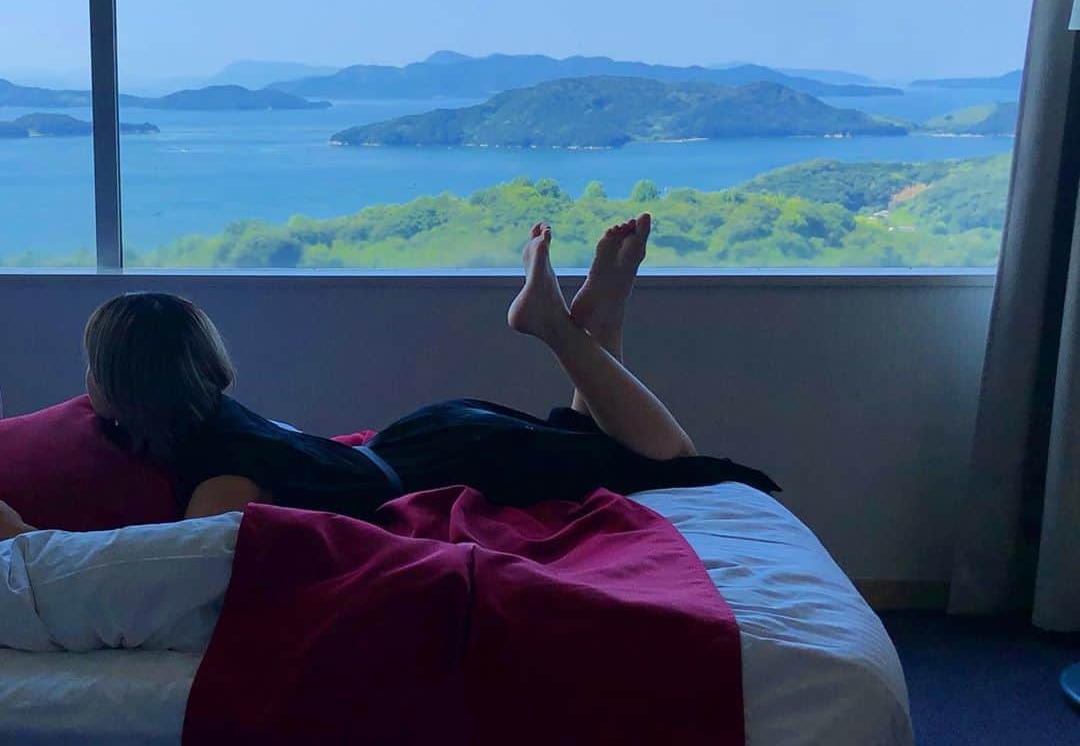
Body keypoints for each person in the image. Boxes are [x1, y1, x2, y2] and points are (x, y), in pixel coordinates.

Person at [0, 216, 776, 540]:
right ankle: (596, 324)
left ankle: (558, 329)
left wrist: (29, 539)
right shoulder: (218, 419)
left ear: (120, 386)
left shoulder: (219, 479)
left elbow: (162, 573)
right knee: (588, 443)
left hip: (453, 459)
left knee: (672, 462)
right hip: (428, 435)